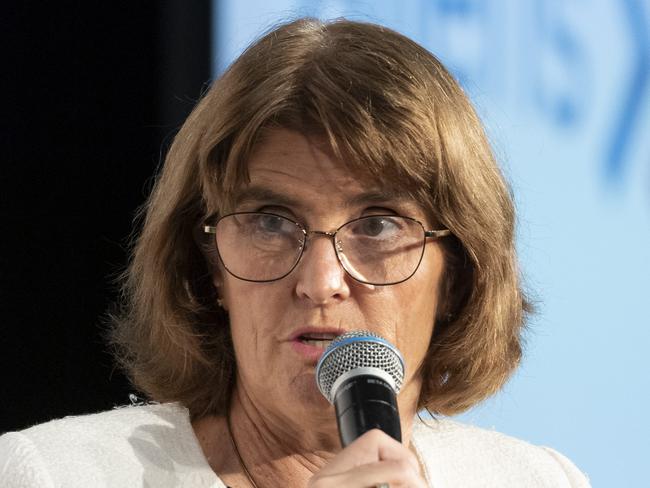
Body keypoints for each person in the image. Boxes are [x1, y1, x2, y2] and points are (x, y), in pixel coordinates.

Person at [0, 17, 590, 487]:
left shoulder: (537, 480)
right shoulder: (48, 474)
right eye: (271, 221)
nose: (321, 281)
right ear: (207, 269)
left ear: (458, 275)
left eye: (379, 227)